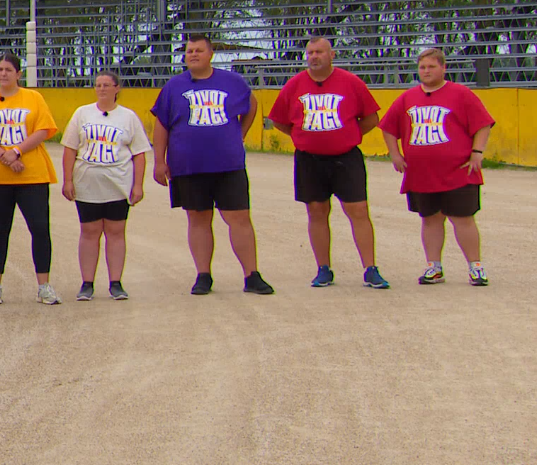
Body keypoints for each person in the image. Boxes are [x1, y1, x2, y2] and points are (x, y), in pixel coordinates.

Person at [151, 34, 274, 296]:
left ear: (211, 54)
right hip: (188, 164)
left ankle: (252, 274)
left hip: (228, 163)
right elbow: (161, 124)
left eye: (198, 50)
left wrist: (239, 134)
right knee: (198, 218)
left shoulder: (232, 81)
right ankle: (203, 275)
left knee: (239, 217)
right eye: (189, 51)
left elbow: (251, 105)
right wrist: (159, 161)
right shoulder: (174, 87)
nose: (193, 54)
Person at [267, 36, 388, 289]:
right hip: (309, 160)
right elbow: (279, 120)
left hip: (346, 157)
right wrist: (304, 137)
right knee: (317, 211)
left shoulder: (350, 82)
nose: (314, 57)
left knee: (358, 211)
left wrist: (347, 136)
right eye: (310, 52)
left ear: (332, 55)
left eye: (320, 52)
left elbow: (371, 118)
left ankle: (370, 268)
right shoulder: (295, 85)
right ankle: (323, 269)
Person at [380, 48, 495, 286]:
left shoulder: (461, 94)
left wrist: (477, 152)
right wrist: (395, 154)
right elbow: (388, 126)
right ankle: (434, 267)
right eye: (422, 67)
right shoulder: (408, 98)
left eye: (431, 67)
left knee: (463, 218)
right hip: (421, 173)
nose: (426, 71)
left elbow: (483, 124)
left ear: (443, 68)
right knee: (430, 218)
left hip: (458, 170)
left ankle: (476, 266)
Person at [0, 53, 61, 305]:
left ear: (19, 74)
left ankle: (44, 285)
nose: (3, 74)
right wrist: (5, 156)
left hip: (32, 174)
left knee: (40, 229)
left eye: (9, 69)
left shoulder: (34, 98)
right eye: (0, 69)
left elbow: (43, 130)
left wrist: (17, 151)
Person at [60, 71, 151, 301]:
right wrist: (68, 179)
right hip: (87, 183)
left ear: (117, 88)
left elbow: (139, 153)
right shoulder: (82, 113)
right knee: (89, 232)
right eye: (98, 85)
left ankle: (115, 282)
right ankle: (87, 283)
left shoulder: (128, 117)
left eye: (106, 85)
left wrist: (138, 185)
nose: (101, 89)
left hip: (117, 183)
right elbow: (70, 148)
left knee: (116, 232)